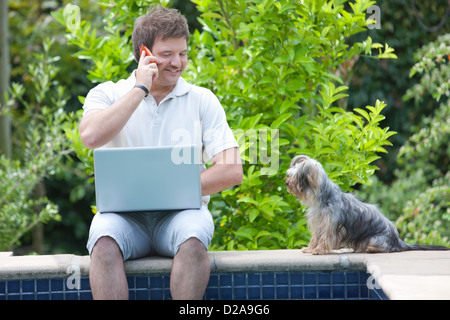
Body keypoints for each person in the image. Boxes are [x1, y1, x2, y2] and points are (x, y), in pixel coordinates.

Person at [79, 5, 242, 300]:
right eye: (167, 54)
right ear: (144, 54)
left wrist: (173, 188)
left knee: (194, 241)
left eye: (183, 53)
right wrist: (141, 87)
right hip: (124, 218)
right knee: (102, 241)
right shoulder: (107, 94)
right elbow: (90, 136)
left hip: (182, 215)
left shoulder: (202, 100)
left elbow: (231, 169)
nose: (178, 63)